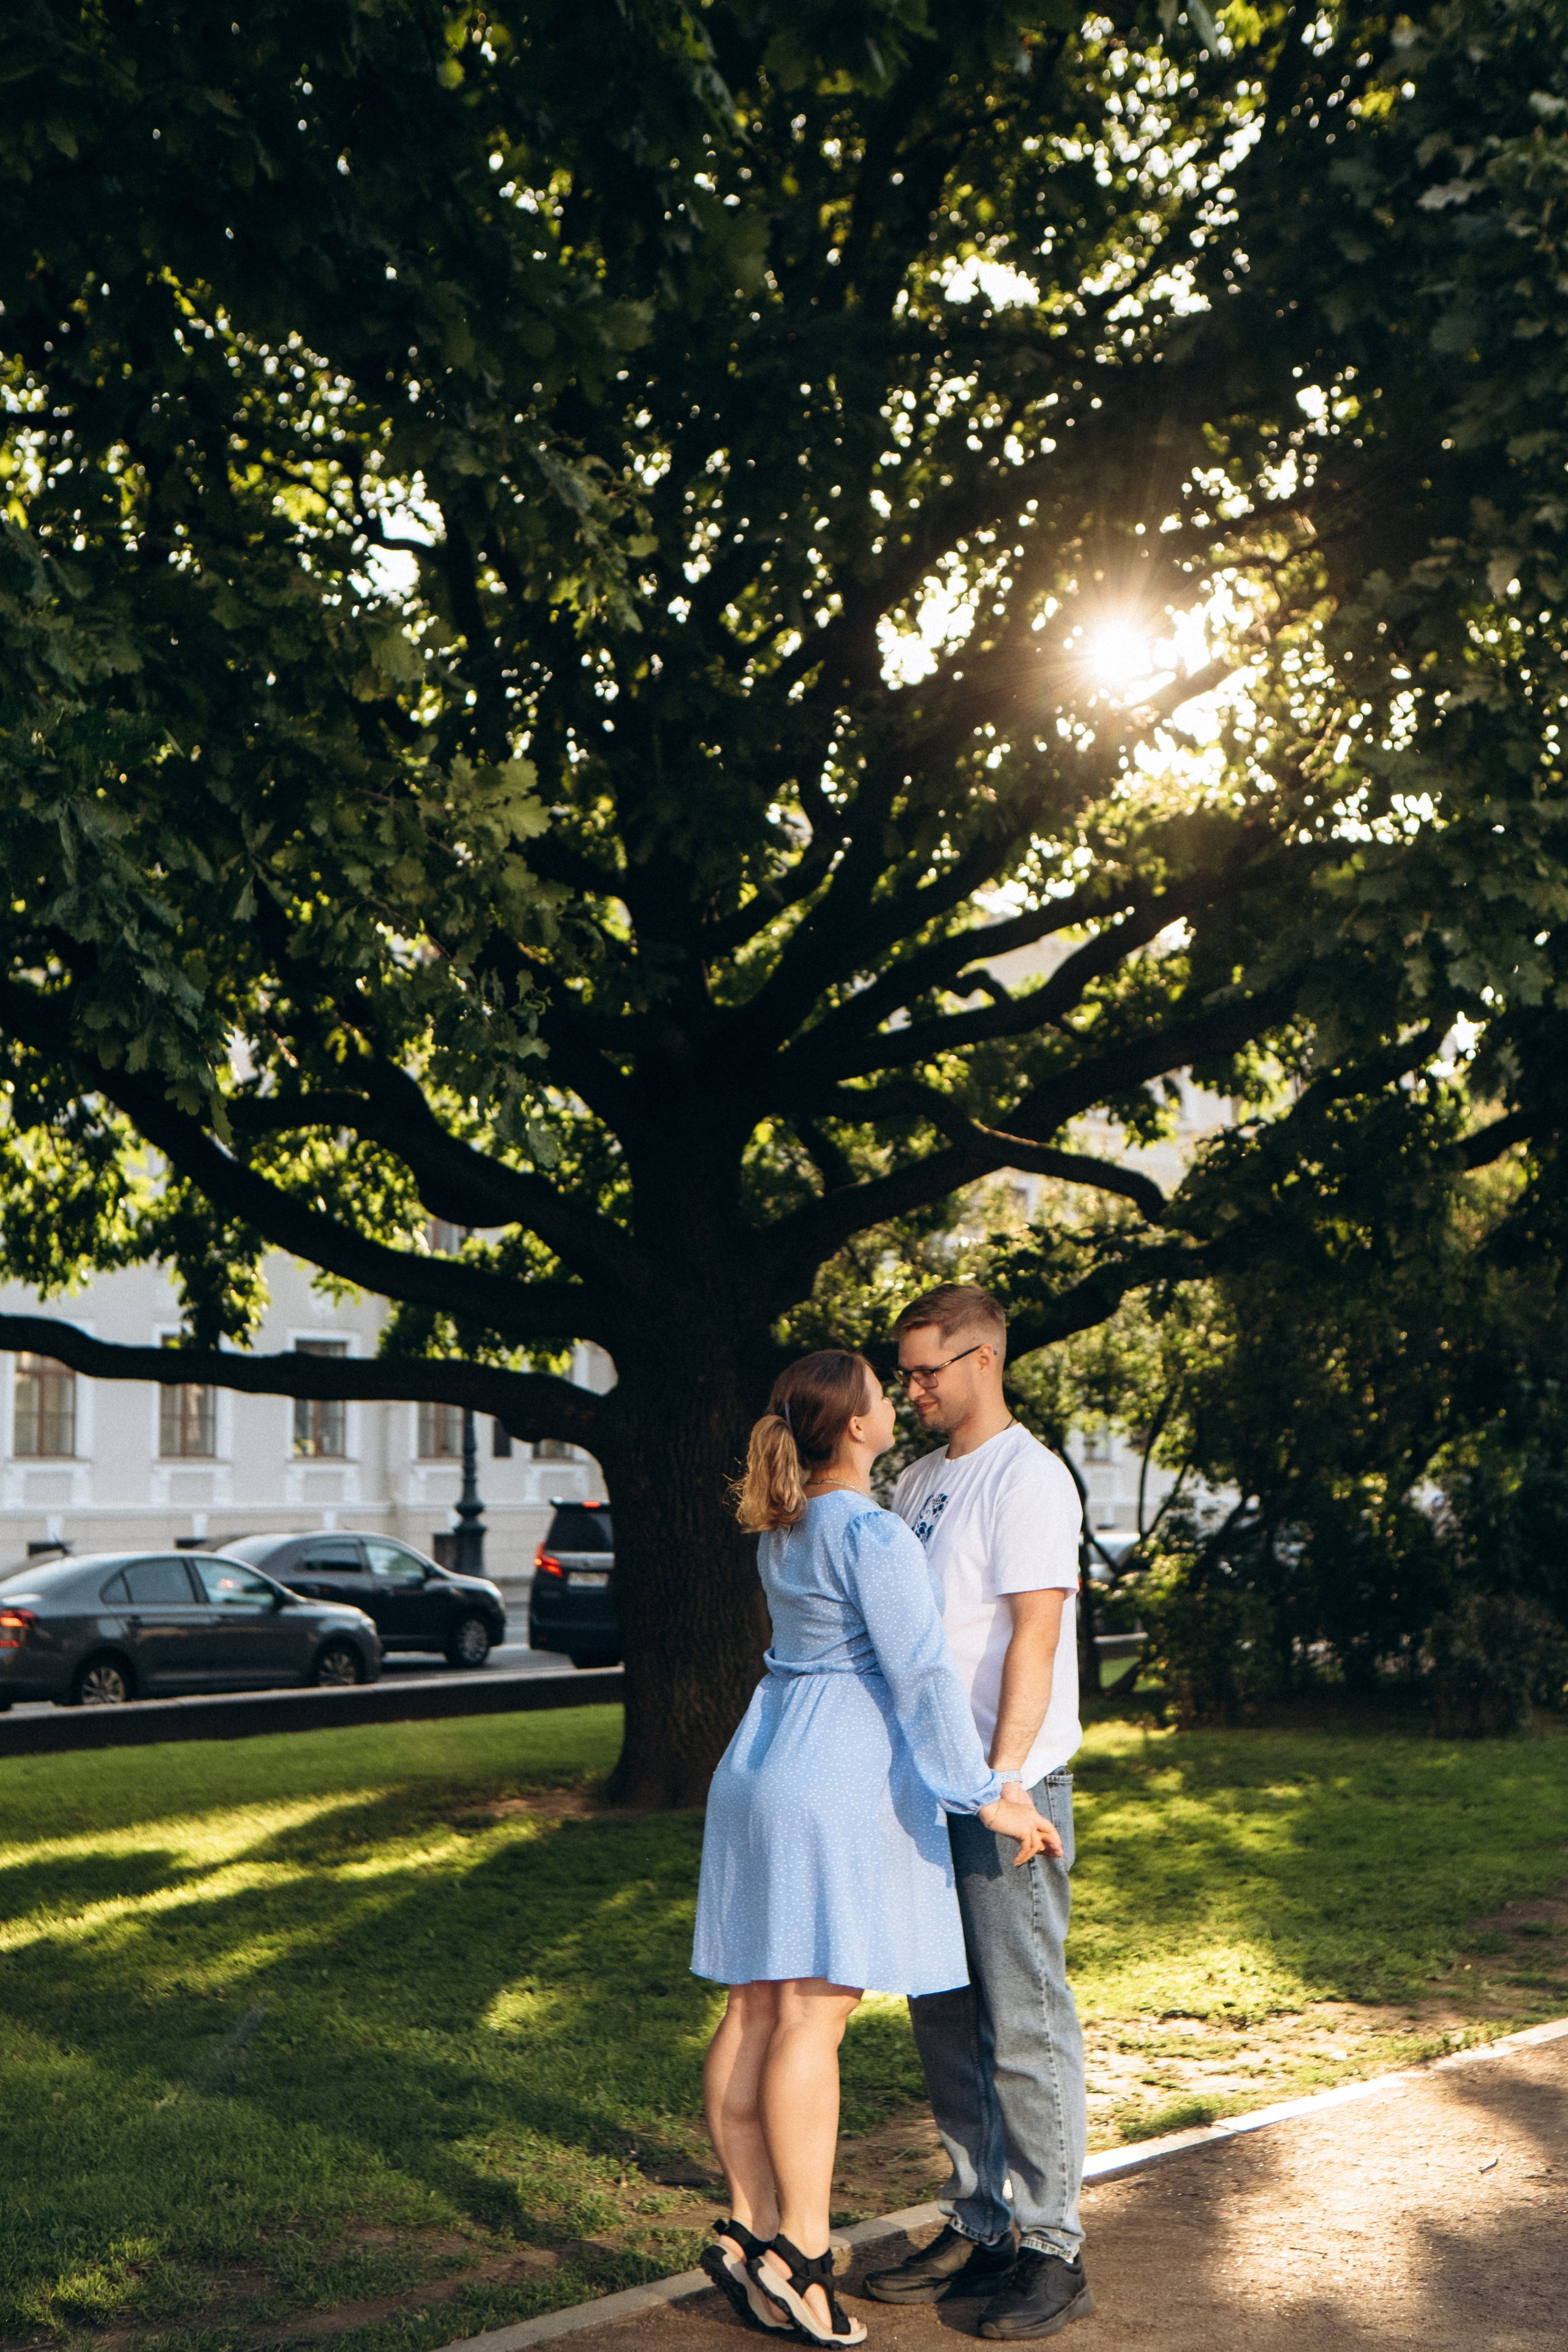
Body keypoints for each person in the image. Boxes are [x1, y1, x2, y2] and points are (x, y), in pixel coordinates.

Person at [692, 1347, 1055, 2348]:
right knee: (815, 2016)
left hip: (758, 1762)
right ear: (855, 1425)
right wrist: (990, 1797)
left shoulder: (785, 1520)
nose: (898, 1402)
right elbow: (926, 1680)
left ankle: (751, 2228)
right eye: (883, 1392)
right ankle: (803, 2257)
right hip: (832, 1776)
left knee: (754, 2006)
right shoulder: (871, 1530)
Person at [865, 1282, 1092, 2343]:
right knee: (945, 2017)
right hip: (929, 1788)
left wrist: (1004, 1779)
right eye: (906, 1372)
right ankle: (981, 2217)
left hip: (1010, 1792)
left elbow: (1035, 1642)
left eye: (926, 1370)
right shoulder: (914, 1481)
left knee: (1022, 2017)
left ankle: (1052, 2246)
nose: (910, 1387)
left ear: (984, 1361)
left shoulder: (1030, 1480)